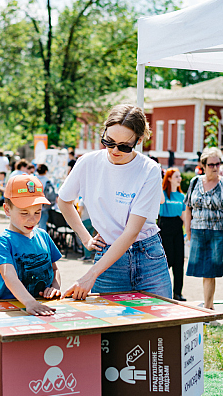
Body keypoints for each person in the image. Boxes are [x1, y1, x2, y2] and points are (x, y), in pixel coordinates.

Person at [58, 103, 172, 300]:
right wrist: (86, 238)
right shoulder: (87, 162)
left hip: (147, 255)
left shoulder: (149, 169)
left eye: (124, 146)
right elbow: (64, 200)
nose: (114, 150)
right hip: (108, 256)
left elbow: (131, 232)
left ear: (139, 140)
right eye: (108, 142)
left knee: (161, 325)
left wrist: (91, 274)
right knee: (112, 328)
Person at [0, 174, 62, 315]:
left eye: (38, 212)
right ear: (7, 210)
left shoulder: (44, 236)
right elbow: (9, 276)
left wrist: (55, 287)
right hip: (14, 310)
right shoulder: (2, 243)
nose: (32, 219)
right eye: (24, 213)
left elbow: (54, 270)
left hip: (44, 307)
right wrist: (29, 302)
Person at [184, 147, 223, 310]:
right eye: (211, 164)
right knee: (204, 271)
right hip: (197, 231)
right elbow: (188, 207)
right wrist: (188, 232)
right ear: (203, 165)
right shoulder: (195, 182)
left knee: (210, 271)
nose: (216, 167)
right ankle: (208, 305)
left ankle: (208, 306)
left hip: (218, 232)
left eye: (218, 164)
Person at [159, 168, 186, 301]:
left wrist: (188, 233)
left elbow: (184, 216)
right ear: (169, 178)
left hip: (177, 227)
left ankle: (178, 293)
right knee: (168, 259)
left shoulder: (182, 196)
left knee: (179, 261)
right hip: (165, 227)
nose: (179, 179)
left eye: (180, 176)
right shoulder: (163, 194)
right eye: (176, 176)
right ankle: (162, 290)